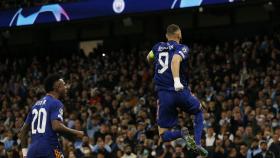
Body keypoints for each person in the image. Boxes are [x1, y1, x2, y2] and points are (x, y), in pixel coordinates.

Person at [147, 24, 207, 156]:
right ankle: (197, 142)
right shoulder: (182, 47)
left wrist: (154, 59)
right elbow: (175, 60)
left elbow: (148, 57)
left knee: (163, 134)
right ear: (179, 35)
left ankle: (181, 134)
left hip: (164, 96)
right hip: (180, 91)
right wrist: (176, 81)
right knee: (198, 111)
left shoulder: (157, 46)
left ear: (166, 36)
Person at [19, 74, 84, 158]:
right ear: (57, 87)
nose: (66, 87)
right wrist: (77, 133)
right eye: (63, 85)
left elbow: (23, 131)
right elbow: (56, 126)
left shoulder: (35, 105)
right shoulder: (56, 102)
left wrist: (25, 154)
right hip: (50, 148)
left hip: (32, 151)